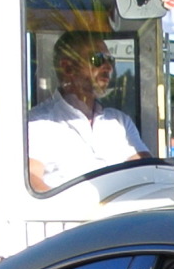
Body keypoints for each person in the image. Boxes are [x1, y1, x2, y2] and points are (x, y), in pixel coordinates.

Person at [26, 30, 150, 192]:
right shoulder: (39, 123)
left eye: (110, 61)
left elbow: (146, 172)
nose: (107, 67)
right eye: (97, 59)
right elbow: (31, 179)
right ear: (68, 68)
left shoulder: (120, 121)